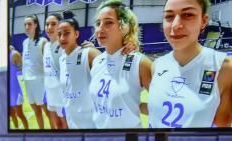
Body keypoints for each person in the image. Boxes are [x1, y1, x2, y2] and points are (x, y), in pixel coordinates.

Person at [148, 0, 232, 128]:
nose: (175, 25)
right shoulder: (157, 65)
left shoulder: (224, 68)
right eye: (169, 16)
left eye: (188, 15)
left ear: (203, 21)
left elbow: (221, 129)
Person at [90, 1, 152, 129]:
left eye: (108, 22)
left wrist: (138, 106)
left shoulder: (140, 63)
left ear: (124, 27)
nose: (100, 29)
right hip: (99, 140)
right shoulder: (97, 61)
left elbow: (162, 104)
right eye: (98, 23)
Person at [57, 13, 99, 129]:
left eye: (66, 33)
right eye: (59, 34)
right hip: (72, 120)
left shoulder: (89, 54)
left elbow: (111, 69)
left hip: (92, 122)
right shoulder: (62, 58)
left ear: (76, 34)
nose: (62, 38)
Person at [21, 15, 49, 130]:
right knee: (36, 111)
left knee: (47, 111)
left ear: (36, 25)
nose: (27, 27)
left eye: (29, 24)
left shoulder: (43, 41)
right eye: (25, 25)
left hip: (40, 82)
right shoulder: (24, 42)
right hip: (28, 82)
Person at [42, 13, 67, 129]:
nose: (49, 27)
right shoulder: (46, 46)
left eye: (53, 24)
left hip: (61, 93)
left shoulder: (64, 45)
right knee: (56, 125)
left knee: (65, 125)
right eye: (47, 24)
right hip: (50, 92)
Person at [8, 46, 30, 129]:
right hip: (7, 90)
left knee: (20, 114)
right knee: (11, 114)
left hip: (15, 91)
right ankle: (16, 130)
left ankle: (27, 132)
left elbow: (24, 67)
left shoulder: (14, 54)